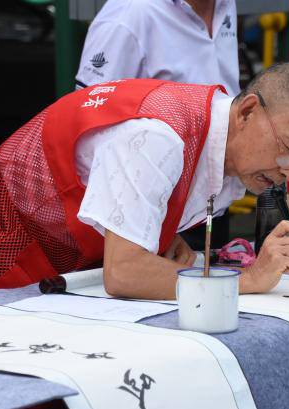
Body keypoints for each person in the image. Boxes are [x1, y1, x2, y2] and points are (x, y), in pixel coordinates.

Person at [0, 61, 289, 300]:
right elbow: (124, 273)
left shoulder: (231, 145)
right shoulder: (158, 136)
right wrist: (247, 279)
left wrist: (162, 232)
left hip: (71, 250)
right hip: (2, 235)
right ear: (248, 111)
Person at [75, 0, 241, 250]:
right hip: (152, 214)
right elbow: (88, 118)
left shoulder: (224, 4)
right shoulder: (129, 14)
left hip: (212, 203)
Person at [75, 0, 239, 96]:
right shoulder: (128, 14)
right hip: (156, 145)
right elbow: (90, 114)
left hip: (231, 140)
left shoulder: (224, 3)